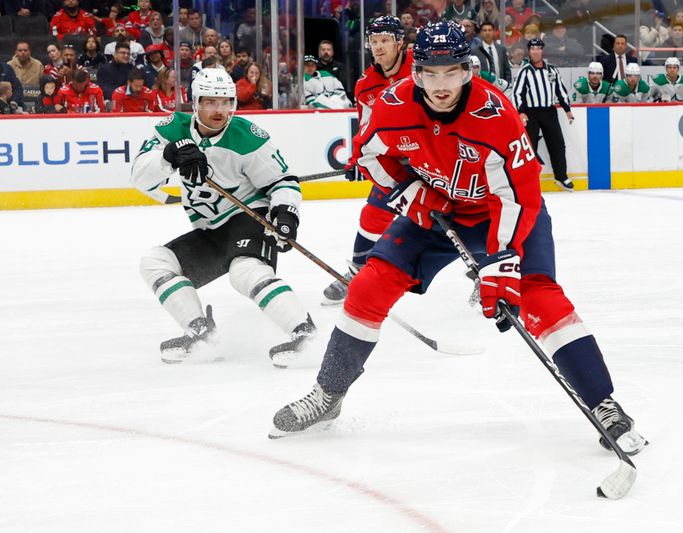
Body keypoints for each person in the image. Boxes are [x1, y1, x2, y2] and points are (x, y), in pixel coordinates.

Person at [270, 22, 648, 459]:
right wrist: (412, 193)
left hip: (503, 215)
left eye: (451, 72)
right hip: (436, 214)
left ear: (468, 70)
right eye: (431, 73)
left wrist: (502, 261)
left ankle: (602, 402)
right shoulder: (393, 106)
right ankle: (327, 394)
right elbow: (369, 153)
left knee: (540, 298)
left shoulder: (496, 114)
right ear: (416, 72)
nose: (441, 84)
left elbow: (519, 196)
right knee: (368, 286)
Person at [131, 68, 317, 366]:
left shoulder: (248, 138)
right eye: (210, 102)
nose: (219, 111)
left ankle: (303, 333)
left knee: (244, 271)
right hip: (210, 230)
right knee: (155, 262)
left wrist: (286, 215)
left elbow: (283, 182)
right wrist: (169, 155)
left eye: (225, 102)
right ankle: (202, 332)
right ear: (195, 103)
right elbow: (139, 177)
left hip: (249, 217)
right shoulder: (171, 128)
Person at [321, 16, 413, 306]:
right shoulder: (365, 85)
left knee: (458, 218)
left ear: (400, 42)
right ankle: (356, 274)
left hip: (436, 158)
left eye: (385, 40)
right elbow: (366, 130)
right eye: (374, 41)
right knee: (373, 215)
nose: (378, 47)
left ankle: (485, 274)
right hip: (397, 164)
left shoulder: (423, 69)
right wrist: (359, 159)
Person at [512, 38, 575, 191]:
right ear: (529, 51)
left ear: (542, 51)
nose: (535, 52)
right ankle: (529, 180)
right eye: (533, 49)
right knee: (529, 148)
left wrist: (567, 110)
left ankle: (561, 176)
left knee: (558, 144)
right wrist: (521, 112)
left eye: (538, 49)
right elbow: (517, 93)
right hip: (531, 113)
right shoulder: (525, 71)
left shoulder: (552, 70)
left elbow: (561, 90)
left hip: (549, 111)